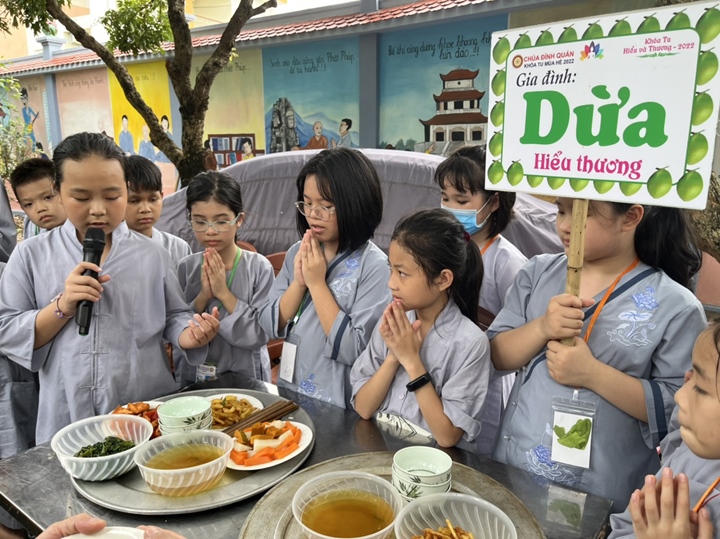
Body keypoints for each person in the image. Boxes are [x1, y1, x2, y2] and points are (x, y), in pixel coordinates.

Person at [0, 132, 220, 444]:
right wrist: (62, 307)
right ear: (58, 192)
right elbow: (7, 329)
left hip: (142, 409)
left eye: (112, 196)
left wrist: (189, 334)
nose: (98, 209)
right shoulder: (31, 255)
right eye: (82, 198)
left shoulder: (153, 254)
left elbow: (174, 314)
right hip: (67, 413)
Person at [489, 198, 707, 508]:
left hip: (603, 490)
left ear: (630, 217)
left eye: (583, 214)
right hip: (515, 466)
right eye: (561, 211)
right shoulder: (537, 273)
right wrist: (541, 328)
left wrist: (593, 375)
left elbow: (680, 406)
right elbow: (496, 356)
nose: (565, 225)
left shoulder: (677, 307)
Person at [259, 147, 389, 407]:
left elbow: (355, 349)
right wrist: (299, 283)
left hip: (338, 405)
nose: (312, 214)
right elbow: (268, 323)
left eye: (326, 206)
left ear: (356, 204)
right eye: (307, 203)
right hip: (289, 390)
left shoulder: (376, 266)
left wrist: (317, 284)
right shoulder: (298, 251)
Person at [350, 208, 490, 448]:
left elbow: (447, 436)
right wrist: (393, 357)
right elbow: (363, 408)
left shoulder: (470, 344)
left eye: (402, 273)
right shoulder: (393, 321)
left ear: (443, 279)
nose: (391, 283)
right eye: (391, 269)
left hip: (430, 463)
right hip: (379, 449)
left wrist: (411, 361)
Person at [435, 145, 527, 455]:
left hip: (487, 383)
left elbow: (518, 336)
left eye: (462, 201)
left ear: (494, 202)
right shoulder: (442, 249)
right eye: (445, 199)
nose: (451, 208)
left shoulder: (508, 263)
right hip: (442, 371)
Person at [609, 324, 720, 539]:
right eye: (691, 378)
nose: (679, 396)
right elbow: (626, 526)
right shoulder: (690, 454)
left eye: (700, 388)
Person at [177, 171, 274, 384]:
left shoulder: (259, 268)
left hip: (247, 376)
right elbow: (177, 326)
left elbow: (260, 333)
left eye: (221, 222)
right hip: (197, 379)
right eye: (200, 222)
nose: (210, 231)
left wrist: (223, 293)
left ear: (239, 220)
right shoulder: (186, 267)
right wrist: (203, 296)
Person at [124, 155, 191, 266]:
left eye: (153, 199)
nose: (145, 209)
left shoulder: (177, 248)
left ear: (161, 197)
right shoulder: (107, 251)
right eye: (134, 201)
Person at [9, 158, 66, 240]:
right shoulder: (31, 232)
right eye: (29, 204)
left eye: (48, 197)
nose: (40, 208)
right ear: (22, 207)